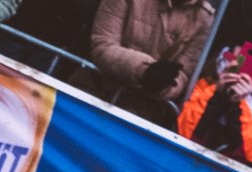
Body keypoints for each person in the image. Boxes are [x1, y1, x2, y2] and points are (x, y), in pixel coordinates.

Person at [90, 0, 218, 121]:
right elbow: (103, 45)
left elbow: (184, 74)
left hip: (145, 111)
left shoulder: (203, 17)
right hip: (97, 92)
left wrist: (166, 84)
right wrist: (143, 69)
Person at [178, 43, 252, 161]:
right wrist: (218, 92)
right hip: (187, 156)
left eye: (246, 63)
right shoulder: (204, 84)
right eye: (234, 59)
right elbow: (185, 131)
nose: (237, 66)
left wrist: (240, 105)